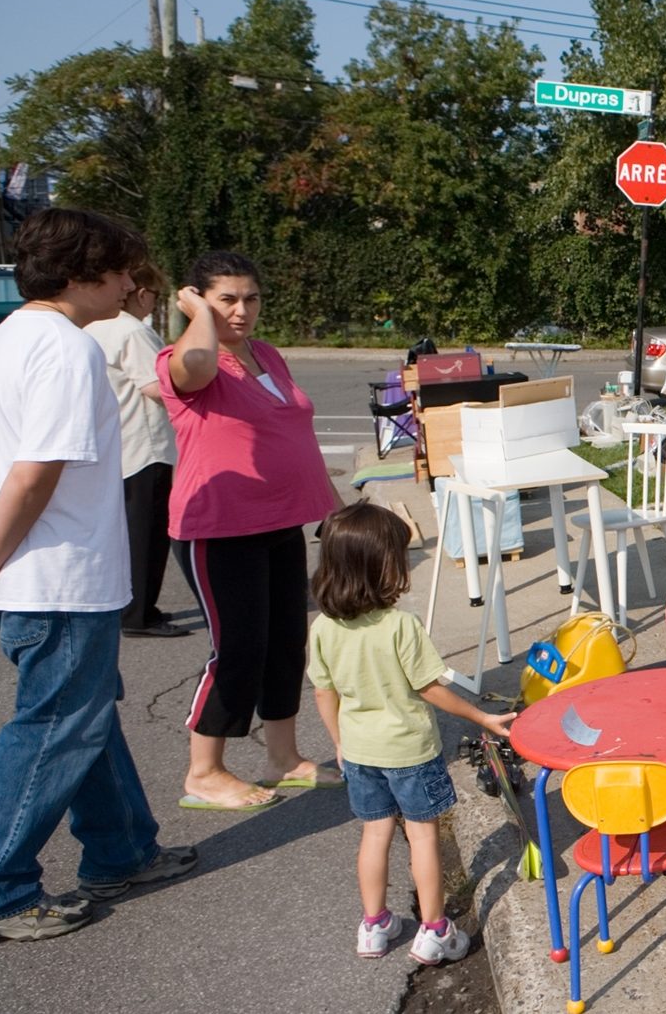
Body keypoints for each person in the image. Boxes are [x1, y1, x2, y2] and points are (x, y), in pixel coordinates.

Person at [0, 209, 195, 945]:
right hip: (56, 573)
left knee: (83, 715)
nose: (131, 284)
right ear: (79, 273)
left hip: (30, 569)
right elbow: (36, 471)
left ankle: (122, 850)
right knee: (54, 727)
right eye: (121, 269)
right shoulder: (66, 348)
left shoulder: (3, 341)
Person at [159, 250, 341, 810]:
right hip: (219, 527)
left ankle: (282, 758)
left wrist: (333, 510)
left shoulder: (267, 355)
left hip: (281, 521)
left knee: (285, 644)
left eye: (251, 298)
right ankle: (204, 771)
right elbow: (196, 365)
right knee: (237, 648)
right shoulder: (185, 358)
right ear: (197, 301)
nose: (241, 310)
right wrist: (199, 316)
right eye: (226, 300)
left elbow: (295, 435)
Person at [307, 502, 514, 963]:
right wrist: (482, 718)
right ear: (381, 566)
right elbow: (429, 688)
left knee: (374, 833)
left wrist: (339, 743)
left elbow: (324, 692)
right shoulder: (401, 626)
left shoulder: (322, 627)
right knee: (422, 838)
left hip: (359, 751)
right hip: (410, 753)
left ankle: (374, 925)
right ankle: (435, 929)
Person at [86, 263, 186, 638]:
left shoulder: (93, 327)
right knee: (147, 535)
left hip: (115, 444)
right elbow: (156, 387)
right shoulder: (133, 331)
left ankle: (128, 605)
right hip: (147, 446)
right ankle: (140, 613)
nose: (153, 304)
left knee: (124, 534)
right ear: (142, 294)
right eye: (154, 297)